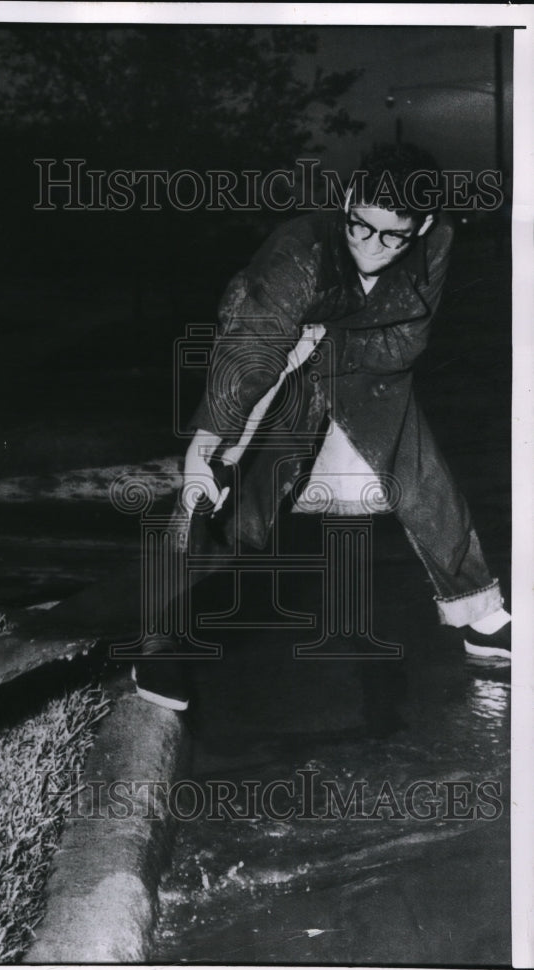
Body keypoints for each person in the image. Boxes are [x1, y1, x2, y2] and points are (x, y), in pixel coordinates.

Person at [132, 143, 511, 711]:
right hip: (272, 345)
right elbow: (251, 352)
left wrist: (327, 337)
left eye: (393, 237)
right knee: (227, 490)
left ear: (424, 224)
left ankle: (483, 618)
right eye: (360, 225)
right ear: (349, 199)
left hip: (345, 353)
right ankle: (157, 636)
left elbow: (405, 345)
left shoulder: (437, 241)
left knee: (418, 468)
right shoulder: (300, 252)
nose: (371, 247)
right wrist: (205, 445)